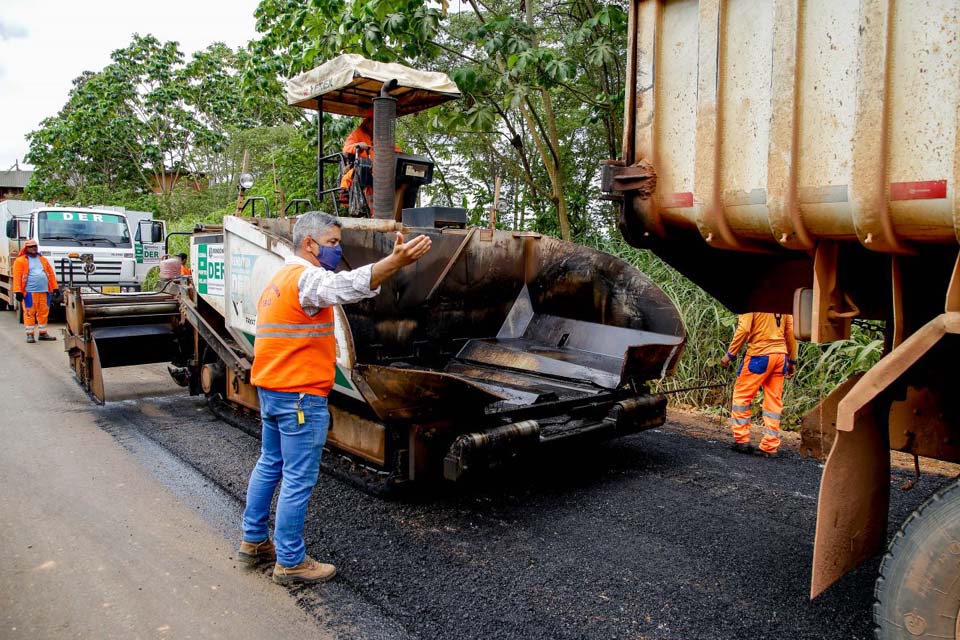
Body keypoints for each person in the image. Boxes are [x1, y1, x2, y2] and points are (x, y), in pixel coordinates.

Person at [238, 211, 431, 584]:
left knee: (270, 464)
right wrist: (394, 262)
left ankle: (254, 541)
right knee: (297, 478)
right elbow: (346, 285)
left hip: (273, 390)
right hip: (299, 396)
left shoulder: (278, 279)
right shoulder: (307, 279)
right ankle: (290, 561)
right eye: (332, 243)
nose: (337, 249)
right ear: (309, 244)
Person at [720, 312, 797, 458]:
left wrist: (730, 355)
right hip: (780, 357)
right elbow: (790, 332)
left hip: (759, 355)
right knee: (774, 401)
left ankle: (742, 440)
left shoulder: (752, 302)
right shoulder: (783, 303)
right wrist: (792, 360)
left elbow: (744, 329)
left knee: (742, 396)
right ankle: (770, 445)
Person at [12, 239, 59, 343]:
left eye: (35, 246)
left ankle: (43, 333)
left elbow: (51, 274)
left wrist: (55, 288)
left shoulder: (43, 259)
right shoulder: (20, 261)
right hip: (29, 292)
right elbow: (17, 277)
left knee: (43, 312)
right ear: (26, 248)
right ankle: (30, 334)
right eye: (31, 246)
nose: (33, 248)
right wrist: (18, 291)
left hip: (44, 291)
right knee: (29, 312)